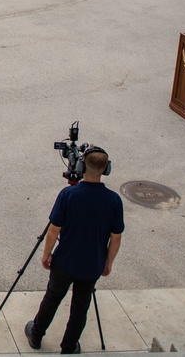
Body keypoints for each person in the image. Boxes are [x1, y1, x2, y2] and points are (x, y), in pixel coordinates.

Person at [24, 147, 124, 354]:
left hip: (65, 261)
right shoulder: (114, 201)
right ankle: (69, 346)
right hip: (92, 264)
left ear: (80, 166)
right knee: (81, 306)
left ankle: (36, 334)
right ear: (107, 169)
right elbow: (116, 237)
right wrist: (108, 262)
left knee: (53, 297)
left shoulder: (69, 194)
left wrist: (46, 254)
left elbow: (54, 230)